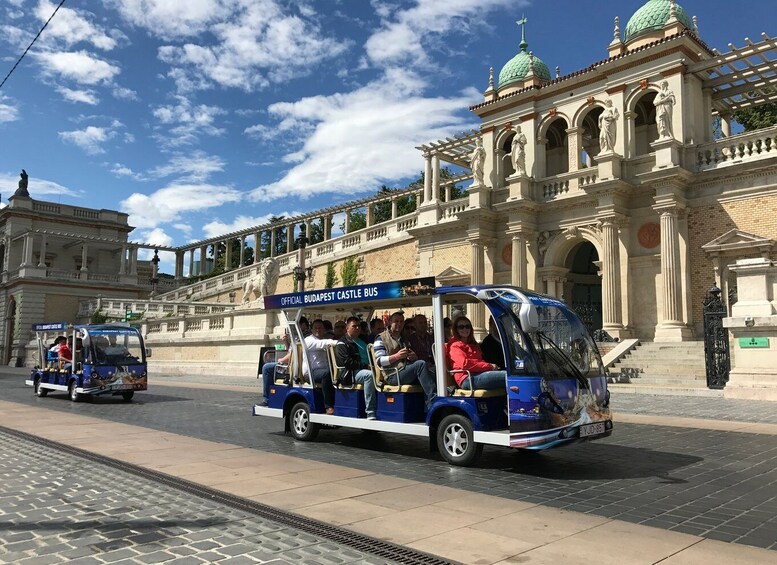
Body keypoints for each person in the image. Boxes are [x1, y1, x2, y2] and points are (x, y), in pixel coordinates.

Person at [373, 311, 437, 410]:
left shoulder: (404, 338)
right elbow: (379, 362)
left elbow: (410, 355)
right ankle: (433, 403)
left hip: (405, 370)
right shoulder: (381, 338)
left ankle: (426, 409)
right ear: (390, 322)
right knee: (420, 364)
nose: (399, 324)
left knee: (434, 373)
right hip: (392, 375)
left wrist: (413, 356)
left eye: (401, 322)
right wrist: (397, 356)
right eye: (396, 321)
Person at [335, 316, 377, 419]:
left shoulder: (363, 339)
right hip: (352, 373)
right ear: (347, 328)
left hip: (369, 367)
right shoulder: (342, 343)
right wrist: (365, 366)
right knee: (369, 375)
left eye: (358, 326)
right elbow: (347, 363)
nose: (357, 328)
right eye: (354, 326)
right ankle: (370, 411)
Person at [448, 316, 506, 391]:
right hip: (467, 378)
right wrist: (490, 366)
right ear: (456, 330)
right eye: (461, 327)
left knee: (511, 374)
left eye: (467, 326)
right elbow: (465, 364)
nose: (465, 329)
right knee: (508, 376)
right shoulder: (455, 346)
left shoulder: (473, 345)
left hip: (478, 374)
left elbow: (479, 361)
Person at [303, 319, 338, 414]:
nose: (318, 330)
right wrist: (339, 342)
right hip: (310, 373)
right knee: (327, 373)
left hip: (324, 371)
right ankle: (328, 406)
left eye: (320, 328)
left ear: (324, 329)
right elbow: (323, 344)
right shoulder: (308, 340)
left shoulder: (325, 338)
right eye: (316, 328)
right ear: (312, 330)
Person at [259, 333, 291, 406]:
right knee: (270, 365)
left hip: (291, 365)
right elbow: (290, 350)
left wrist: (282, 360)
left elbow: (294, 353)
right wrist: (286, 341)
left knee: (266, 368)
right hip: (289, 363)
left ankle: (267, 399)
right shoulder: (297, 336)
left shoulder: (303, 338)